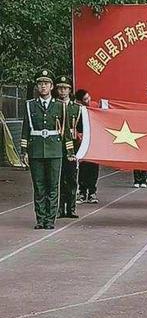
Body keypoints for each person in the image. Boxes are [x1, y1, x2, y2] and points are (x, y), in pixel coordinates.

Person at [20, 70, 75, 229]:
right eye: (40, 83)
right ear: (37, 86)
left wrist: (70, 152)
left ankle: (50, 220)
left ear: (51, 87)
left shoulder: (60, 106)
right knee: (39, 187)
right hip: (36, 150)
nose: (43, 86)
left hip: (55, 151)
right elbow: (25, 129)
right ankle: (40, 219)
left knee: (53, 186)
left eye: (46, 83)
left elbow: (65, 133)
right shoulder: (30, 105)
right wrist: (24, 152)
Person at [56, 76, 81, 218]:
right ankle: (60, 209)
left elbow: (83, 128)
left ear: (70, 90)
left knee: (71, 178)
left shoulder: (77, 108)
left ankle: (71, 208)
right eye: (60, 88)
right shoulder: (54, 106)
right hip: (57, 145)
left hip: (73, 147)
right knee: (59, 178)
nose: (63, 91)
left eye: (65, 88)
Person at [75, 89, 100, 203]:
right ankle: (82, 192)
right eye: (85, 99)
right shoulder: (77, 110)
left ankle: (92, 192)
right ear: (79, 101)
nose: (88, 100)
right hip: (82, 143)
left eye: (89, 97)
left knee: (94, 167)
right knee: (83, 168)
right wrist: (78, 135)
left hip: (94, 142)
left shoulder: (95, 107)